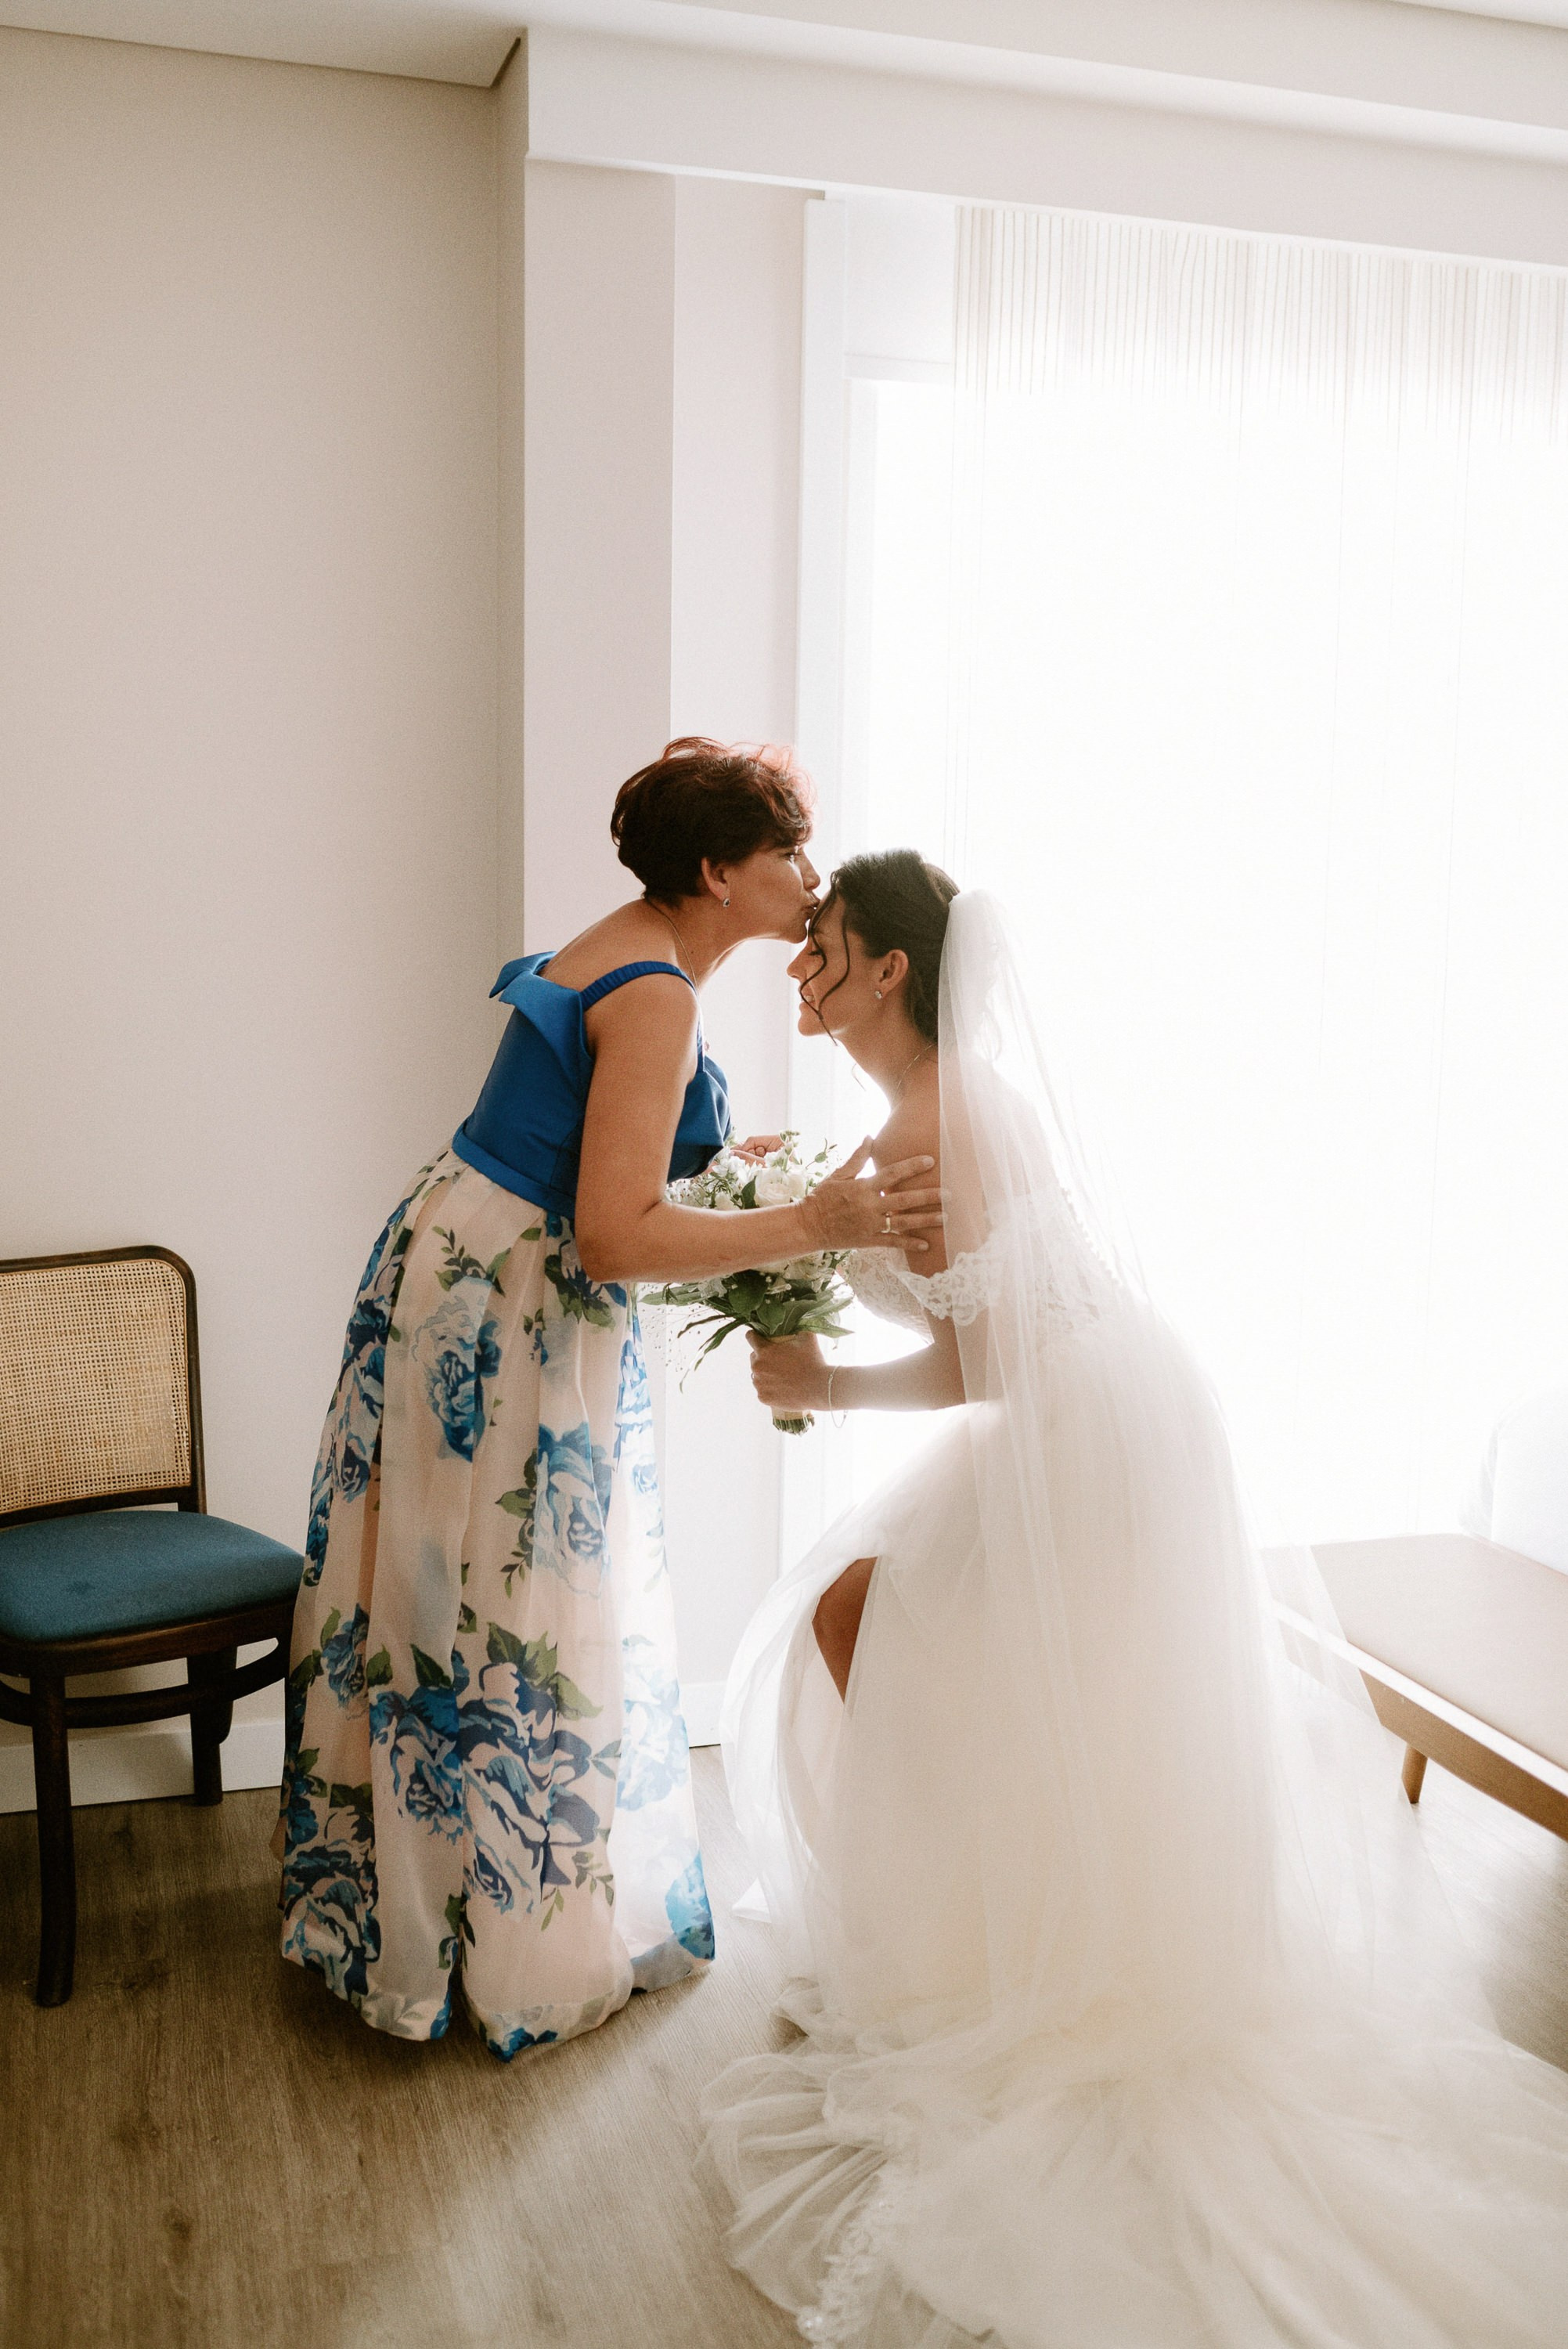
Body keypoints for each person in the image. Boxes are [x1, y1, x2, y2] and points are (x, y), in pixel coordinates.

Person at [705, 849, 1568, 2346]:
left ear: (894, 969)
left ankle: (1007, 1973)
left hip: (1086, 1423)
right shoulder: (917, 1114)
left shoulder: (952, 1114)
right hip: (1072, 1408)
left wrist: (825, 1362)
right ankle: (981, 1940)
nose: (805, 972)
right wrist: (810, 1259)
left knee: (870, 1625)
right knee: (889, 1634)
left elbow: (995, 1354)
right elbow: (994, 1340)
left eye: (826, 948)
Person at [276, 745, 942, 2059]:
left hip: (463, 1263)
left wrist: (741, 1182)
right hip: (507, 1299)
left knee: (442, 1594)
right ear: (718, 872)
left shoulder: (636, 949)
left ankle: (419, 1918)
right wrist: (810, 1220)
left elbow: (604, 1163)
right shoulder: (656, 995)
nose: (808, 884)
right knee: (516, 1595)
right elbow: (619, 1236)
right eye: (788, 856)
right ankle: (507, 1943)